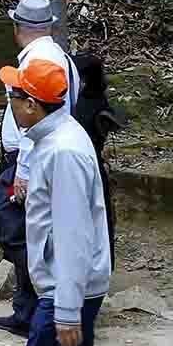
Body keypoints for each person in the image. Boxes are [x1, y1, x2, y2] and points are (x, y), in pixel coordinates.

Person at [0, 55, 170, 346]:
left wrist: (66, 308)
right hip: (71, 284)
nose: (9, 102)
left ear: (32, 104)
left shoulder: (65, 151)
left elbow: (73, 235)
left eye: (14, 95)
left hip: (67, 289)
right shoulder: (57, 140)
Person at [0, 0, 75, 337]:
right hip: (37, 155)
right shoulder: (60, 57)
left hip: (29, 159)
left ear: (17, 27)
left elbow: (34, 119)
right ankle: (28, 306)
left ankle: (34, 308)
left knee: (20, 233)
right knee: (28, 232)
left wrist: (23, 171)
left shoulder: (38, 62)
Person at [69, 49, 124, 269]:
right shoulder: (100, 101)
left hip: (81, 167)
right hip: (95, 168)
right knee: (100, 219)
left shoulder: (81, 105)